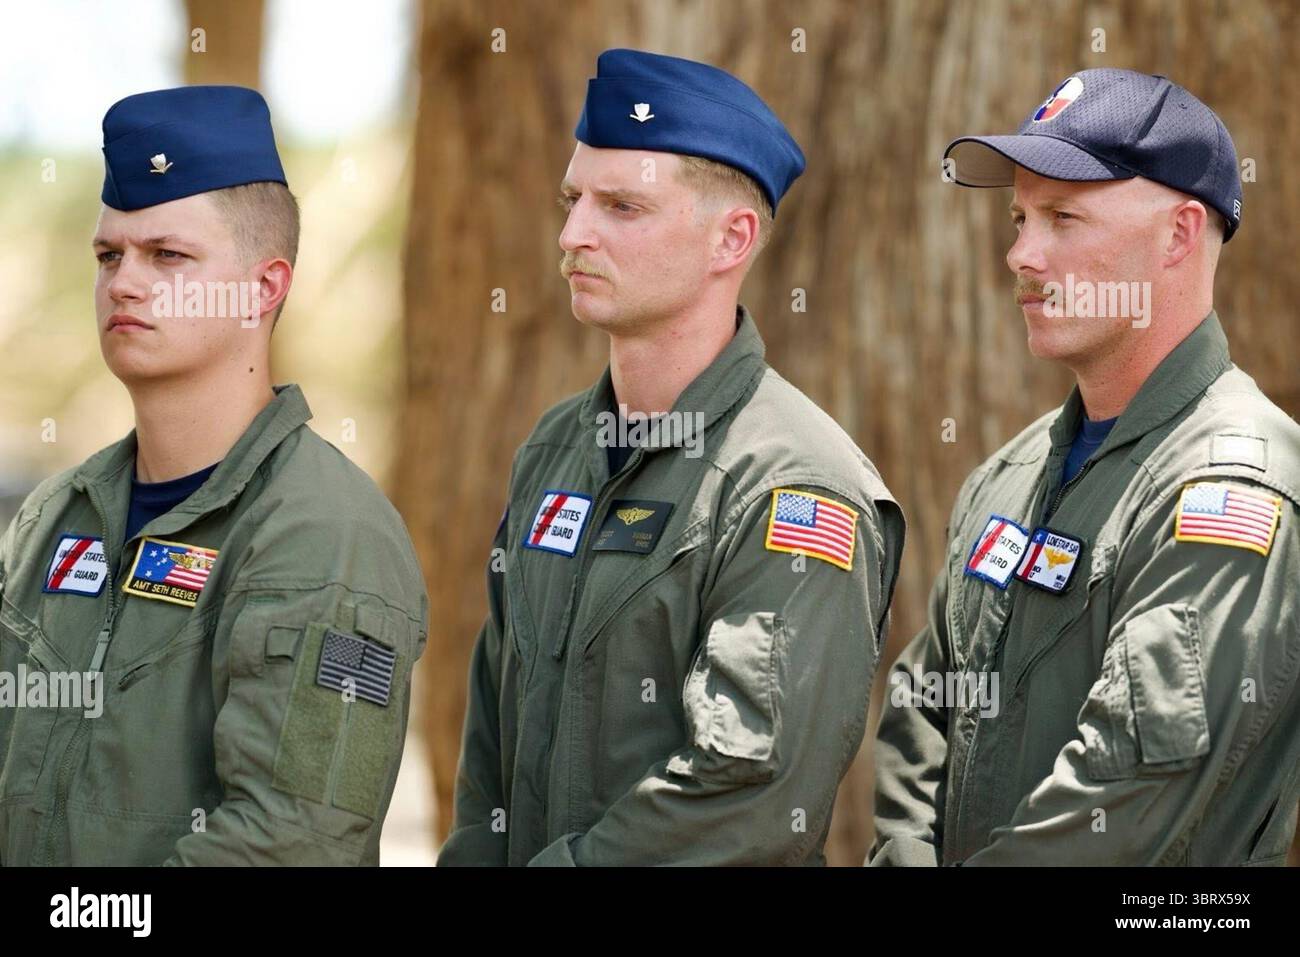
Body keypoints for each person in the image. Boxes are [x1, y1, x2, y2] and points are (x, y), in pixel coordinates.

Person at [438, 49, 905, 866]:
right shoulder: (555, 449)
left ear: (732, 238)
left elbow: (746, 790)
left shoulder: (795, 485)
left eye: (621, 206)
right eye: (573, 198)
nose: (572, 233)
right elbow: (492, 730)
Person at [872, 68, 1300, 866]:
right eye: (1019, 217)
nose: (1019, 255)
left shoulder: (1235, 488)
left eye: (1062, 216)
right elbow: (927, 702)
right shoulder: (1006, 473)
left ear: (1178, 233)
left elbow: (1128, 798)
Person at [0, 85, 428, 865]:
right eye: (109, 255)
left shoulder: (330, 536)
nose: (124, 282)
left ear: (264, 288)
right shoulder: (54, 518)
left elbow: (292, 842)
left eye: (168, 256)